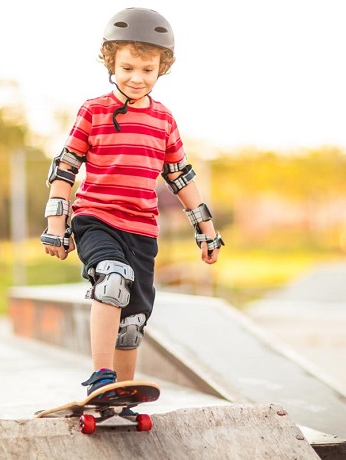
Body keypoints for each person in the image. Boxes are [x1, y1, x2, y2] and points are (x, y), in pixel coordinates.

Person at [40, 7, 224, 399]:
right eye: (127, 68)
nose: (136, 78)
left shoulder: (163, 120)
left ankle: (119, 395)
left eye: (147, 70)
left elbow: (180, 177)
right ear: (111, 62)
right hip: (96, 219)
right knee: (111, 278)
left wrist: (207, 231)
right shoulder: (93, 110)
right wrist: (57, 222)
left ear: (162, 69)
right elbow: (65, 167)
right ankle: (101, 376)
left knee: (134, 319)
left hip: (142, 230)